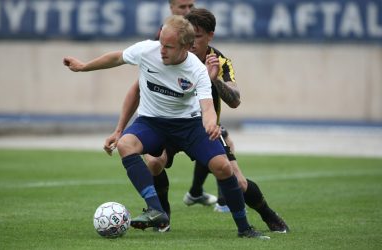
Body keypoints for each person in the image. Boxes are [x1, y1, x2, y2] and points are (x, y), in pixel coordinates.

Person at [64, 15, 269, 239]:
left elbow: (207, 107)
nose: (161, 50)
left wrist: (210, 124)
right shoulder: (147, 50)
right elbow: (116, 58)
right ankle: (156, 210)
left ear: (186, 47)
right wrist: (83, 67)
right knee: (126, 145)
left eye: (168, 46)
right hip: (152, 122)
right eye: (161, 43)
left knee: (223, 167)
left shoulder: (197, 70)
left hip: (188, 125)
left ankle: (245, 228)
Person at [105, 8, 289, 234]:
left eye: (197, 37)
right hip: (164, 124)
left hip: (203, 127)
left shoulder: (218, 60)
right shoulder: (165, 50)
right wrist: (120, 128)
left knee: (237, 181)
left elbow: (235, 101)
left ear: (209, 36)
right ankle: (163, 214)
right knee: (153, 163)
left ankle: (267, 215)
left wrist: (213, 80)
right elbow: (137, 89)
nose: (192, 43)